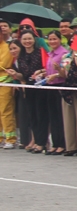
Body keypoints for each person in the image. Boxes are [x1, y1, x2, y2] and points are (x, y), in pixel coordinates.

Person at [10, 31, 49, 153]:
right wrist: (15, 74)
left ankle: (42, 142)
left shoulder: (40, 51)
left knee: (41, 114)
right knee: (32, 114)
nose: (27, 41)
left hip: (40, 86)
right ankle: (37, 141)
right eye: (24, 39)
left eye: (29, 39)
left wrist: (40, 72)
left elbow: (47, 67)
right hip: (28, 87)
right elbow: (22, 75)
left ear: (34, 39)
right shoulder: (20, 55)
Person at [43, 31, 67, 155]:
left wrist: (57, 73)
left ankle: (62, 144)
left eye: (55, 39)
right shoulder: (49, 53)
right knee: (52, 116)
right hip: (49, 86)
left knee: (59, 116)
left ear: (60, 39)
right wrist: (43, 73)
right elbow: (48, 70)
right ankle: (55, 143)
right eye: (50, 39)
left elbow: (64, 72)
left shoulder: (64, 53)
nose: (52, 42)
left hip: (59, 85)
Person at [0, 18, 16, 149]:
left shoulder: (6, 47)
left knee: (6, 111)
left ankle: (10, 138)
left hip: (4, 82)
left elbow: (3, 65)